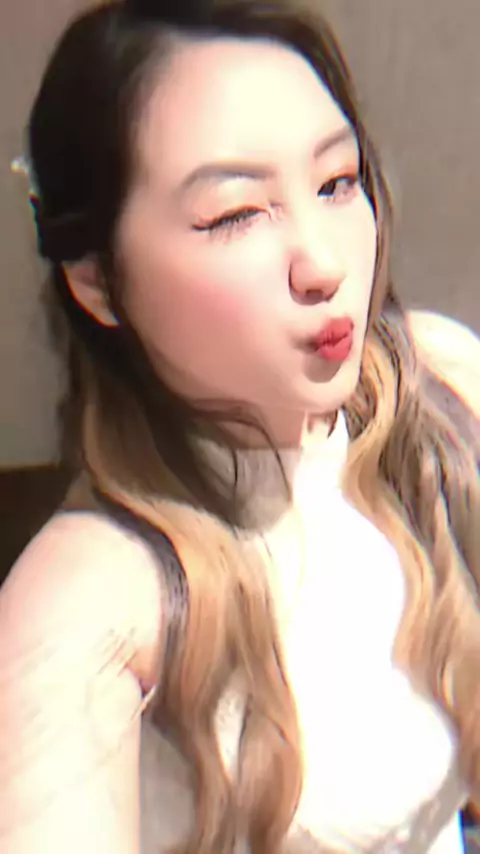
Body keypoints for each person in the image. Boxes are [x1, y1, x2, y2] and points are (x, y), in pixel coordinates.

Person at [1, 0, 479, 851]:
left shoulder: (438, 383)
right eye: (234, 214)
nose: (324, 264)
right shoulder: (89, 594)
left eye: (337, 183)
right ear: (97, 280)